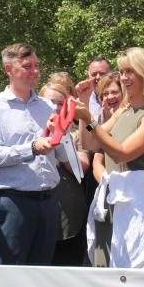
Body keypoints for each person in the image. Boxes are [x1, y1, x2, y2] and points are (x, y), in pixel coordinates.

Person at [77, 47, 144, 268]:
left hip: (134, 203)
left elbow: (122, 153)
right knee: (102, 264)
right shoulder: (123, 110)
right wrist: (85, 104)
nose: (124, 78)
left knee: (136, 267)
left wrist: (89, 119)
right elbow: (90, 143)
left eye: (130, 71)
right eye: (122, 72)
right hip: (109, 198)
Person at [0, 43, 62, 265]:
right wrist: (32, 148)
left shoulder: (47, 106)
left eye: (36, 65)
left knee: (43, 273)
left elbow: (60, 152)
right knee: (10, 274)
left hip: (48, 200)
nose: (35, 71)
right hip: (15, 202)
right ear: (8, 70)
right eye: (27, 66)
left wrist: (63, 134)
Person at [40, 79, 90, 266]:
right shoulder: (32, 131)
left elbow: (82, 167)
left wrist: (61, 139)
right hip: (38, 213)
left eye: (61, 103)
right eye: (50, 102)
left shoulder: (77, 132)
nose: (55, 106)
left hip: (69, 217)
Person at [82, 57, 111, 121]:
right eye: (94, 74)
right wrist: (98, 120)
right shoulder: (83, 101)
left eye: (102, 74)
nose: (98, 77)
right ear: (88, 76)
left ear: (111, 74)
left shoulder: (122, 97)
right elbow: (87, 129)